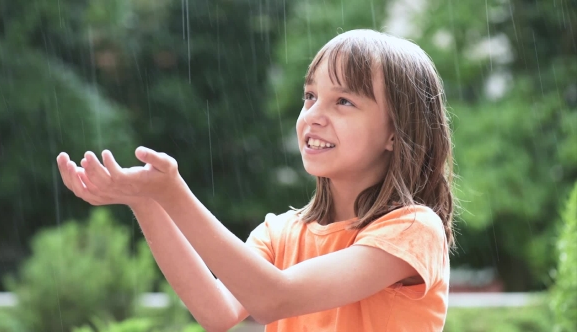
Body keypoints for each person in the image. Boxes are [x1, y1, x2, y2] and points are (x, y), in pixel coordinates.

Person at [57, 29, 455, 332]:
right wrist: (147, 200)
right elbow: (217, 310)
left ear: (394, 133)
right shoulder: (280, 232)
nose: (314, 114)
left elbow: (273, 298)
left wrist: (174, 193)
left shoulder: (413, 229)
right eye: (310, 95)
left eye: (344, 101)